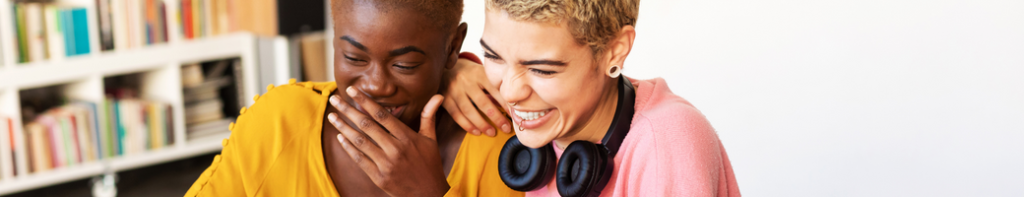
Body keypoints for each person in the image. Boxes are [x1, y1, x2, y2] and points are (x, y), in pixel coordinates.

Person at [184, 0, 522, 196]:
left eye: (405, 64)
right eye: (354, 57)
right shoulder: (277, 124)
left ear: (452, 48)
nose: (376, 86)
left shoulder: (500, 146)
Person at [463, 0, 743, 196]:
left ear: (615, 51)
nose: (510, 92)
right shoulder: (543, 129)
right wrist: (449, 72)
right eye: (493, 56)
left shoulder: (667, 143)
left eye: (542, 69)